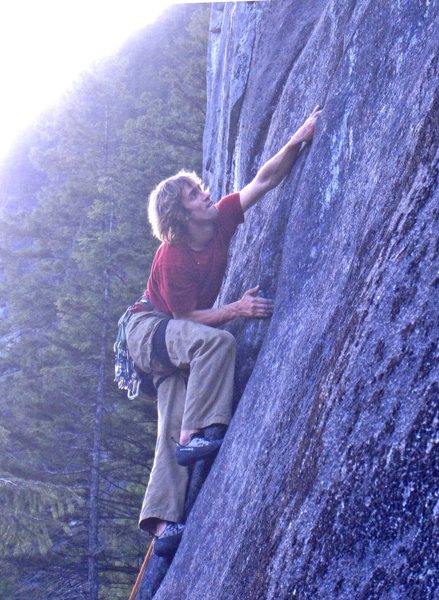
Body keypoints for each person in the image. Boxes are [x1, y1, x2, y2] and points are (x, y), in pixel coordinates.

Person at [126, 106, 321, 556]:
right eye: (194, 195)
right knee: (216, 342)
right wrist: (235, 309)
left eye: (200, 189)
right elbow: (184, 320)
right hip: (148, 329)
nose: (205, 194)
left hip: (172, 334)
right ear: (180, 213)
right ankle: (198, 433)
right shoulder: (173, 258)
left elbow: (265, 180)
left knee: (170, 421)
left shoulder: (219, 221)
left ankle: (160, 523)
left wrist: (297, 139)